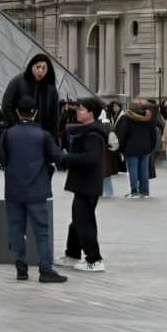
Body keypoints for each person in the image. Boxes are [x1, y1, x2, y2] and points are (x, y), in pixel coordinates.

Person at [0, 96, 67, 283]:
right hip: (37, 189)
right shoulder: (43, 135)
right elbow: (57, 157)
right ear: (35, 112)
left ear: (18, 112)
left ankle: (21, 269)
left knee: (16, 229)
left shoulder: (7, 134)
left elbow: (2, 160)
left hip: (13, 189)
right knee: (41, 231)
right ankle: (45, 270)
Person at [57, 97, 107, 273]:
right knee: (77, 221)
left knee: (84, 222)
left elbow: (91, 159)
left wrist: (66, 158)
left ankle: (94, 259)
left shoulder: (94, 134)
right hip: (83, 183)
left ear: (92, 113)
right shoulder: (85, 131)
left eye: (82, 109)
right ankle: (72, 254)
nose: (78, 112)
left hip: (88, 184)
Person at [2, 54, 60, 138]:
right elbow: (6, 106)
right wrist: (16, 126)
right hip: (20, 134)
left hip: (43, 136)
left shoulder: (51, 87)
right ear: (31, 67)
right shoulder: (17, 81)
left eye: (44, 68)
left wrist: (51, 136)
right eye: (38, 67)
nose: (40, 70)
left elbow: (55, 114)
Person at [114, 99, 160, 198]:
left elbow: (121, 134)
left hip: (131, 148)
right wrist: (151, 146)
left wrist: (121, 148)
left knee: (133, 170)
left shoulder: (126, 118)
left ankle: (134, 191)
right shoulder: (148, 117)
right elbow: (153, 134)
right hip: (145, 147)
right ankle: (145, 191)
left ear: (131, 107)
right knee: (144, 171)